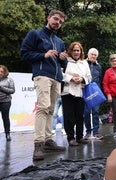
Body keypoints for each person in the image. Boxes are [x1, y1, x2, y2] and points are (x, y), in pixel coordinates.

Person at [21, 10, 67, 160]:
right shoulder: (35, 34)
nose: (57, 22)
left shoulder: (60, 42)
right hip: (42, 74)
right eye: (55, 19)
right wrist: (43, 55)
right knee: (43, 106)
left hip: (57, 78)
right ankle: (38, 144)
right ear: (48, 18)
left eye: (60, 22)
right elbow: (24, 54)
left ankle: (48, 140)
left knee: (52, 109)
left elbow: (63, 63)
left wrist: (63, 58)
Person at [61, 42, 92, 146]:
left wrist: (82, 79)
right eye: (74, 50)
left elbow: (89, 77)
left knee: (80, 115)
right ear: (70, 51)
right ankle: (70, 138)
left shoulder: (84, 62)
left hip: (80, 91)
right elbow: (60, 74)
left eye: (78, 50)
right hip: (67, 91)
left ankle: (79, 137)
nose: (76, 52)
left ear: (81, 51)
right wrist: (71, 78)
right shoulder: (65, 61)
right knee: (69, 116)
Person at [83, 48, 104, 140]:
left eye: (95, 55)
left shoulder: (99, 67)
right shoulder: (83, 64)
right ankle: (88, 132)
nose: (93, 56)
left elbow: (100, 79)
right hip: (86, 91)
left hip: (95, 92)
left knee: (96, 112)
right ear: (88, 54)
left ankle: (96, 132)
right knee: (86, 112)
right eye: (92, 54)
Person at [0, 65, 15, 142]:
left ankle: (7, 134)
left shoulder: (9, 80)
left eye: (1, 71)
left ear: (5, 72)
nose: (0, 73)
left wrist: (1, 88)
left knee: (5, 118)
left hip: (5, 102)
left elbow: (12, 91)